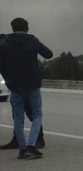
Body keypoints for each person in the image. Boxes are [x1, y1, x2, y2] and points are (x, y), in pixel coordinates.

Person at [0, 18, 53, 159]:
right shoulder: (32, 41)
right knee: (36, 114)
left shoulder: (4, 43)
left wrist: (9, 80)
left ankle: (22, 149)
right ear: (27, 27)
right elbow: (49, 54)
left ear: (12, 28)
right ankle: (32, 146)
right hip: (32, 84)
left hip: (15, 85)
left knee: (18, 117)